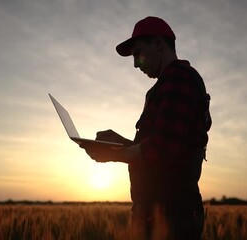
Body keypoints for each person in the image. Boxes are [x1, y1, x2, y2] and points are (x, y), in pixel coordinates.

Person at [81, 16, 212, 240]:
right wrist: (119, 142)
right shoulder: (163, 87)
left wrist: (113, 154)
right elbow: (156, 146)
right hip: (156, 211)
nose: (135, 64)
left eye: (138, 54)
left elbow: (163, 150)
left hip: (171, 215)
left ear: (159, 44)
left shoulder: (179, 79)